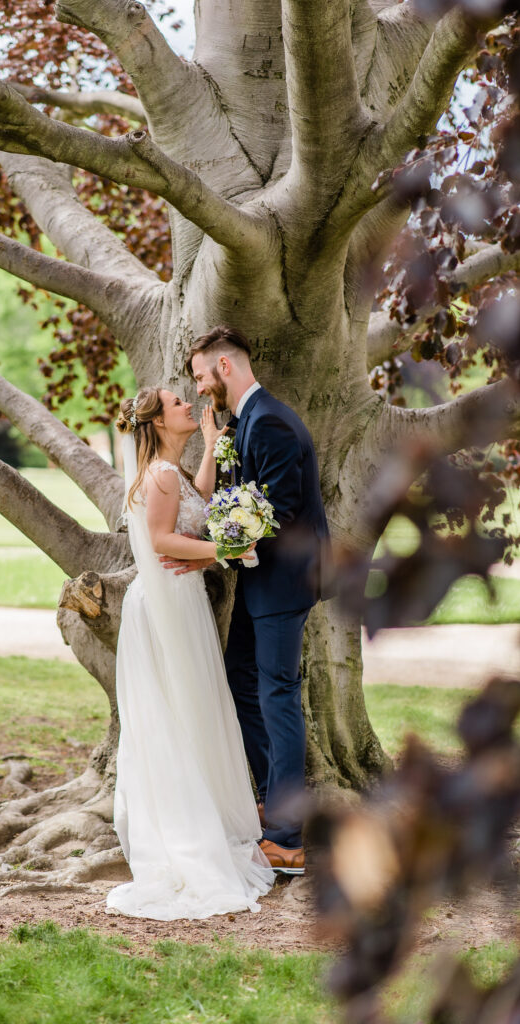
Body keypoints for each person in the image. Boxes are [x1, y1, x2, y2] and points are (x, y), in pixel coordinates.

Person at [163, 325, 330, 876]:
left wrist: (206, 557)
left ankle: (287, 838)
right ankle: (265, 801)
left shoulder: (273, 423)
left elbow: (277, 517)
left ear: (225, 368)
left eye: (200, 374)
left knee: (279, 696)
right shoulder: (243, 423)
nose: (197, 385)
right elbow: (238, 503)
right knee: (241, 680)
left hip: (284, 584)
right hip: (259, 582)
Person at [107, 386, 274, 920]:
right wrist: (226, 550)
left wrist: (206, 448)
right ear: (156, 422)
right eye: (177, 403)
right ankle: (183, 833)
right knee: (176, 714)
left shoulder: (169, 472)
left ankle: (203, 820)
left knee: (190, 710)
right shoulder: (157, 475)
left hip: (180, 602)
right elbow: (162, 539)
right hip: (162, 609)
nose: (188, 404)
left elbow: (195, 507)